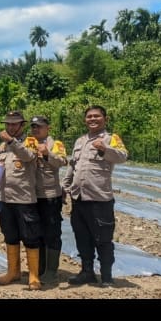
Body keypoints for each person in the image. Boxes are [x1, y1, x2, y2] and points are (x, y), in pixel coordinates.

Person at [64, 105, 128, 286]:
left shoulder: (111, 138)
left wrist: (105, 149)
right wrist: (65, 186)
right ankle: (87, 272)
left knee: (103, 240)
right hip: (78, 198)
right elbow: (73, 166)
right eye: (89, 117)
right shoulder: (80, 141)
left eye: (97, 116)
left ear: (105, 119)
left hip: (99, 199)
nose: (93, 119)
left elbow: (123, 156)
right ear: (85, 120)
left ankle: (106, 276)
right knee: (82, 237)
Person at [0, 109, 42, 290]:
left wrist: (11, 141)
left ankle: (34, 276)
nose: (10, 127)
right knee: (10, 235)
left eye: (14, 124)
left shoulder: (30, 142)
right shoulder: (2, 146)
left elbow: (28, 156)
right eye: (8, 124)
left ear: (22, 125)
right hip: (5, 199)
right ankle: (13, 272)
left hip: (24, 199)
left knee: (30, 236)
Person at [29, 115, 67, 287]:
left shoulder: (56, 144)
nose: (36, 129)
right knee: (37, 233)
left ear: (47, 128)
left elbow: (62, 161)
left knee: (52, 232)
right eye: (33, 126)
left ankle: (51, 271)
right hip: (32, 196)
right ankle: (40, 268)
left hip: (50, 195)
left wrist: (47, 153)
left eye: (39, 126)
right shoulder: (28, 143)